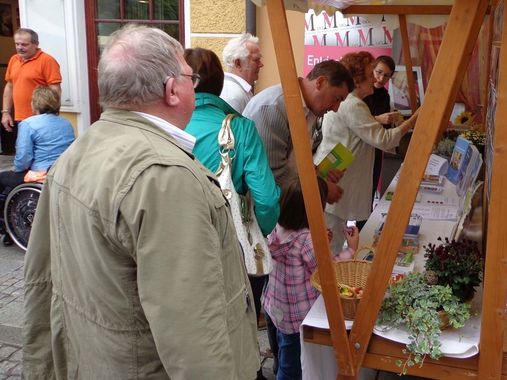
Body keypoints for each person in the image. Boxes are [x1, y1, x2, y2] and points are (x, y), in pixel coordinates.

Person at [23, 24, 259, 379]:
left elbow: (41, 282)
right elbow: (193, 334)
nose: (192, 86)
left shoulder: (78, 151)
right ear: (172, 90)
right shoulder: (165, 177)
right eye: (189, 77)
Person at [243, 59, 353, 373]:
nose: (334, 107)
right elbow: (272, 178)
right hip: (267, 217)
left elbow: (296, 165)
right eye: (336, 97)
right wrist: (318, 190)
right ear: (319, 82)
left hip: (280, 220)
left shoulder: (308, 110)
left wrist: (321, 177)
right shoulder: (274, 108)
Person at [183, 47, 280, 380]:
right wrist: (258, 231)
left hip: (176, 243)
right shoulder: (240, 128)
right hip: (231, 248)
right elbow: (266, 198)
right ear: (220, 82)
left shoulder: (166, 125)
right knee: (235, 325)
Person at [314, 51, 418, 253]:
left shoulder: (354, 103)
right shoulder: (352, 104)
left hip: (335, 176)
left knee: (332, 239)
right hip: (335, 179)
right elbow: (383, 139)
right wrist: (414, 121)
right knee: (329, 246)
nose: (376, 79)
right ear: (357, 79)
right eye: (372, 74)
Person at [262, 177, 359, 380]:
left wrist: (321, 240)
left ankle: (277, 370)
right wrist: (351, 249)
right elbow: (328, 271)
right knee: (291, 367)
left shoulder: (277, 227)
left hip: (276, 307)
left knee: (282, 352)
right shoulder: (307, 240)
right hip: (297, 316)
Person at [0, 85, 74, 246]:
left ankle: (6, 227)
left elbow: (23, 158)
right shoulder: (66, 123)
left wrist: (16, 169)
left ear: (34, 104)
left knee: (3, 178)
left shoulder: (28, 124)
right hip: (62, 172)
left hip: (40, 174)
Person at [2, 28, 62, 154]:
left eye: (24, 44)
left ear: (36, 44)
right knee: (24, 153)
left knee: (41, 154)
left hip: (40, 118)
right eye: (17, 44)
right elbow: (10, 86)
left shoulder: (47, 60)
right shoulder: (14, 59)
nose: (20, 48)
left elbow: (55, 89)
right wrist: (6, 112)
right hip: (20, 119)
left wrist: (51, 115)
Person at [363, 55, 400, 206]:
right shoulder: (360, 91)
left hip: (374, 149)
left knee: (369, 193)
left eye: (386, 76)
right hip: (353, 148)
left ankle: (362, 228)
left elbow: (382, 131)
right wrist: (378, 119)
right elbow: (353, 119)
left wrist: (391, 121)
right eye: (378, 72)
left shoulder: (385, 96)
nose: (380, 78)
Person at [220, 33, 263, 113]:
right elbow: (229, 125)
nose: (261, 64)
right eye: (256, 60)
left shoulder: (237, 90)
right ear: (238, 63)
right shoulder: (231, 94)